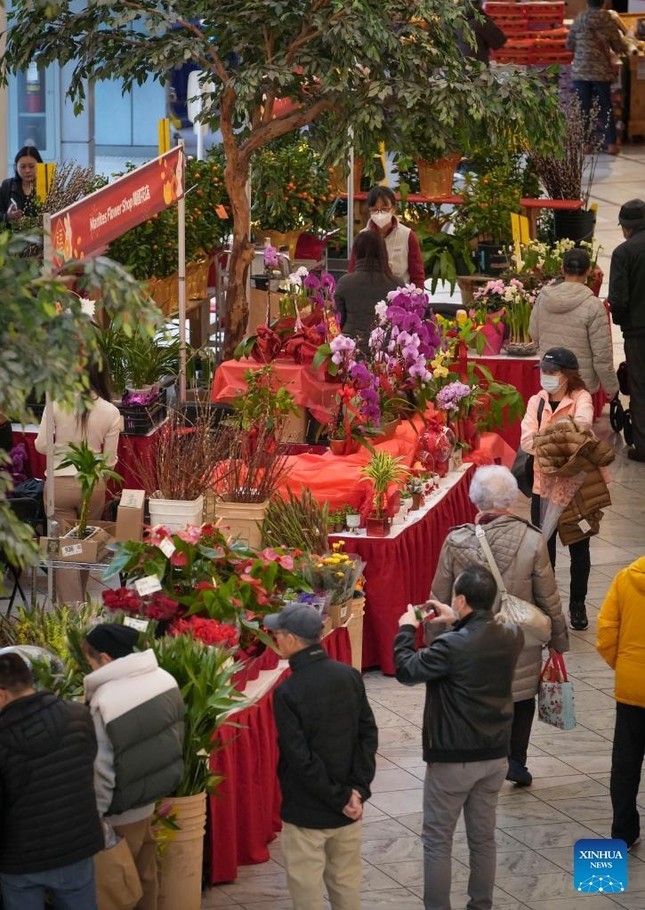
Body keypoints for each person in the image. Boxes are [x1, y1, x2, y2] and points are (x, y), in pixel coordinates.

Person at [394, 565, 524, 910]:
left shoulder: (450, 647)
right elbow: (479, 639)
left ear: (462, 598)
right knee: (483, 839)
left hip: (453, 757)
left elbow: (407, 670)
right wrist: (456, 619)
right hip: (496, 755)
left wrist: (407, 630)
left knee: (437, 840)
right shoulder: (512, 634)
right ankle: (481, 904)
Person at [431, 465, 568, 787]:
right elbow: (548, 594)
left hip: (470, 638)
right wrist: (558, 639)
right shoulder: (532, 539)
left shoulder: (456, 540)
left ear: (475, 499)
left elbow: (439, 595)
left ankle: (481, 757)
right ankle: (516, 761)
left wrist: (436, 642)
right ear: (510, 498)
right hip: (518, 637)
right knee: (521, 698)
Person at [264, 603, 378, 910]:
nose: (275, 639)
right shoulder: (349, 676)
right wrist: (357, 790)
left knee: (307, 897)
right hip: (349, 809)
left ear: (291, 639)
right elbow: (368, 735)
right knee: (346, 889)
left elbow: (300, 758)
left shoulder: (288, 692)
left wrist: (338, 796)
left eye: (277, 633)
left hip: (307, 812)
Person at [83, 623, 185, 910]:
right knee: (146, 875)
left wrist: (97, 814)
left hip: (118, 811)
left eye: (90, 661)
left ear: (104, 658)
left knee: (118, 889)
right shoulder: (164, 678)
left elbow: (102, 768)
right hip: (149, 799)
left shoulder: (107, 699)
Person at [0, 652, 103, 909]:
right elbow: (88, 766)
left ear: (2, 695)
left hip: (20, 858)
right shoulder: (78, 716)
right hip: (75, 845)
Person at [520, 347, 612, 632]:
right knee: (544, 552)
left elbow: (581, 429)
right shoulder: (537, 402)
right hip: (543, 487)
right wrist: (559, 440)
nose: (546, 377)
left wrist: (547, 440)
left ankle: (578, 605)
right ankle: (548, 608)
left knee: (579, 548)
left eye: (552, 372)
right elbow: (526, 441)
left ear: (567, 375)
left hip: (575, 491)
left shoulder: (581, 398)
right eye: (544, 372)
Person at [35, 352, 121, 604]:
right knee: (84, 546)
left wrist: (64, 449)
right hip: (92, 485)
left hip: (59, 484)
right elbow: (110, 461)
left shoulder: (55, 403)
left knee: (63, 548)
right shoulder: (111, 411)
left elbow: (41, 445)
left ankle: (72, 610)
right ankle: (79, 604)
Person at [596, 557, 645, 851]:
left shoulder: (626, 578)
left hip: (630, 688)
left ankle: (624, 831)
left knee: (625, 762)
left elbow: (605, 633)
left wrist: (624, 666)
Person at [529, 247, 619, 400]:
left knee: (551, 421)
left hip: (551, 378)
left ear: (562, 268)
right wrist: (611, 387)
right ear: (589, 271)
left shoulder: (543, 299)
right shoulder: (593, 305)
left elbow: (534, 334)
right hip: (580, 383)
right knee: (577, 423)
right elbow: (601, 355)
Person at [608, 198, 645, 461]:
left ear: (626, 227)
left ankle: (643, 446)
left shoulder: (624, 252)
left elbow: (618, 298)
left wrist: (622, 320)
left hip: (638, 331)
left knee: (640, 386)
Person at [565, 0, 627, 155]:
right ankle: (611, 144)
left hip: (581, 70)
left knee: (583, 107)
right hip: (601, 71)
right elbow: (618, 46)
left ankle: (585, 145)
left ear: (587, 3)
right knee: (606, 106)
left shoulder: (579, 19)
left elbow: (569, 44)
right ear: (603, 3)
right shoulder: (608, 19)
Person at [334, 231, 402, 352]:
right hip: (386, 355)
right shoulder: (397, 285)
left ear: (356, 252)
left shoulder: (345, 283)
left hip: (351, 353)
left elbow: (337, 322)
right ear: (383, 252)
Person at [348, 185, 425, 287]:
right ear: (369, 211)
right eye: (374, 210)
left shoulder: (407, 235)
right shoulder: (363, 237)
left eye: (384, 209)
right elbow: (352, 272)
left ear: (393, 208)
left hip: (400, 296)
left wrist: (417, 298)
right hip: (370, 294)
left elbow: (417, 275)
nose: (380, 214)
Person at [0, 145, 43, 225]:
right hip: (12, 236)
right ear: (16, 167)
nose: (27, 170)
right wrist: (8, 216)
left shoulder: (49, 186)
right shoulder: (7, 185)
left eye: (31, 166)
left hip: (42, 235)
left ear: (40, 165)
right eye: (23, 167)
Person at [456, 0, 507, 65]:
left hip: (451, 72)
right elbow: (499, 41)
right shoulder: (481, 22)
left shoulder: (447, 20)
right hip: (476, 71)